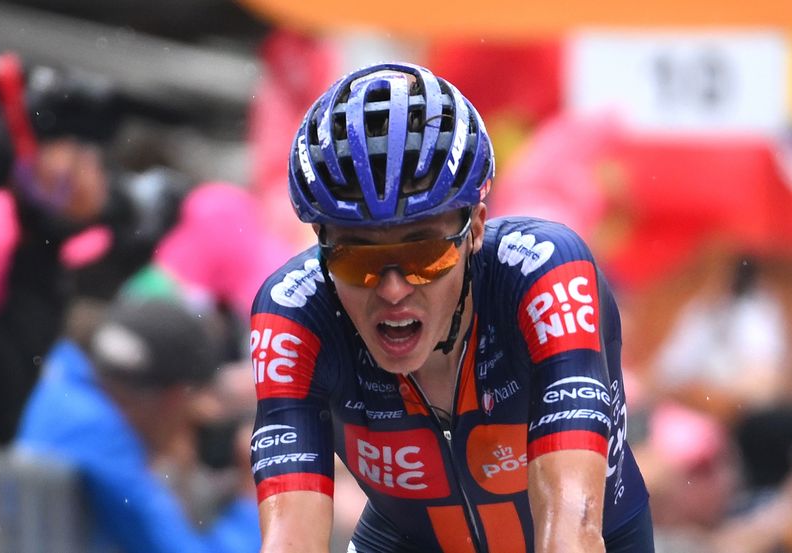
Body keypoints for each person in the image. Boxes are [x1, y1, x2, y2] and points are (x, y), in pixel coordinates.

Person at [248, 62, 653, 553]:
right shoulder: (296, 314)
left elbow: (573, 531)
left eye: (425, 255)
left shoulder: (543, 274)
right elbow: (290, 541)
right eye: (358, 259)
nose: (393, 290)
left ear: (476, 228)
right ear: (321, 244)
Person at [15, 297, 261, 553]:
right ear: (174, 399)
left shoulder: (66, 393)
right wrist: (252, 495)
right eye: (192, 415)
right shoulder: (96, 434)